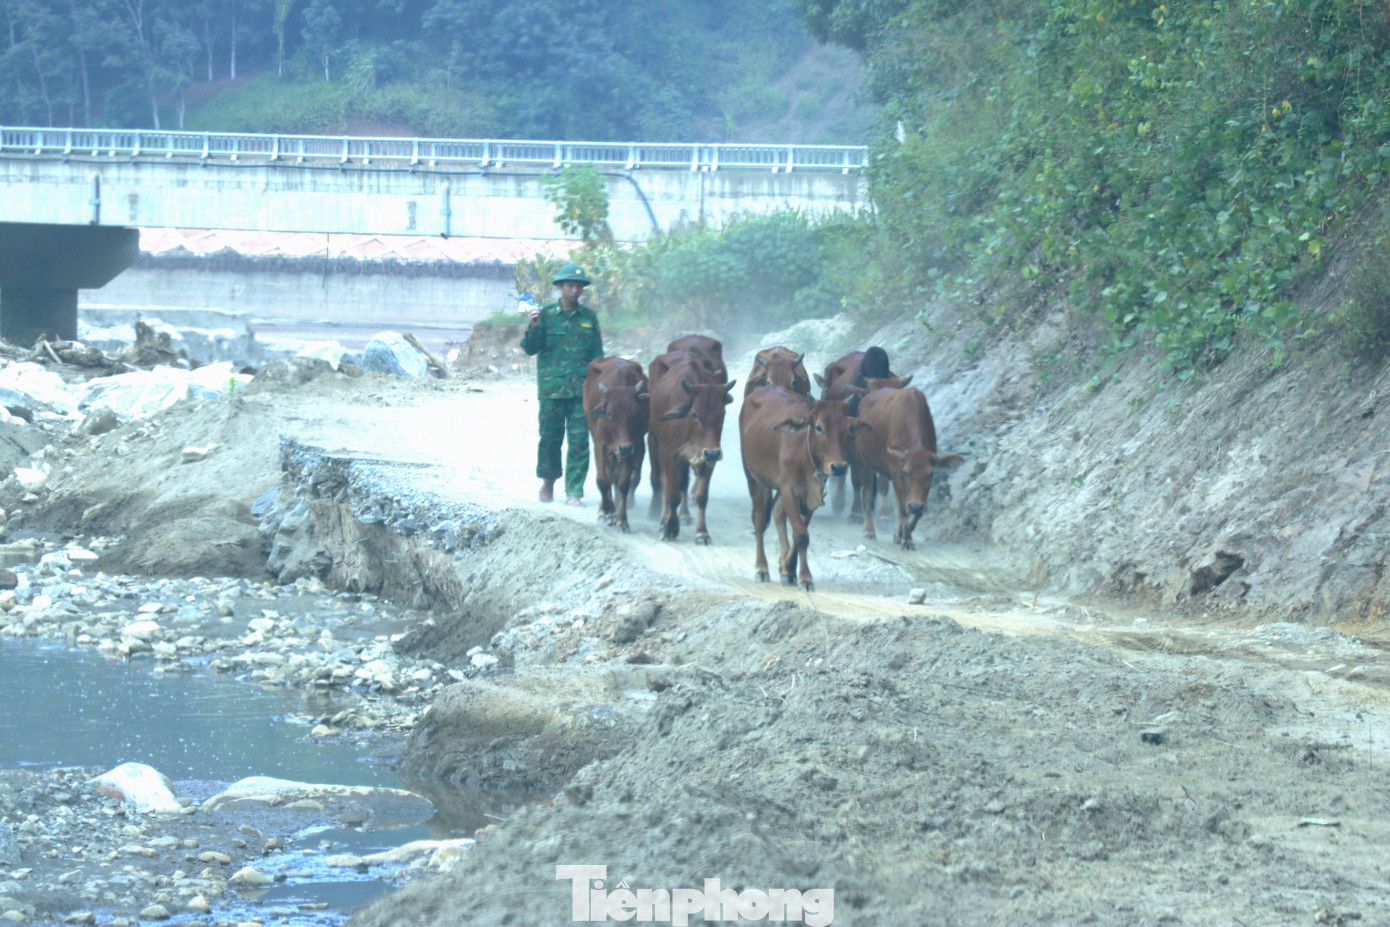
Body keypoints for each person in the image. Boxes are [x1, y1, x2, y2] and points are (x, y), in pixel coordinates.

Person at [521, 263, 604, 505]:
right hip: (552, 390)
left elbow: (597, 355)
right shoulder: (544, 315)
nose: (575, 290)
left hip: (582, 392)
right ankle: (548, 483)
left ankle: (574, 491)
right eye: (570, 285)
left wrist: (599, 386)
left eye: (579, 286)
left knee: (579, 441)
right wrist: (534, 326)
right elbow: (529, 348)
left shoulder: (589, 318)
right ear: (560, 287)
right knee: (550, 439)